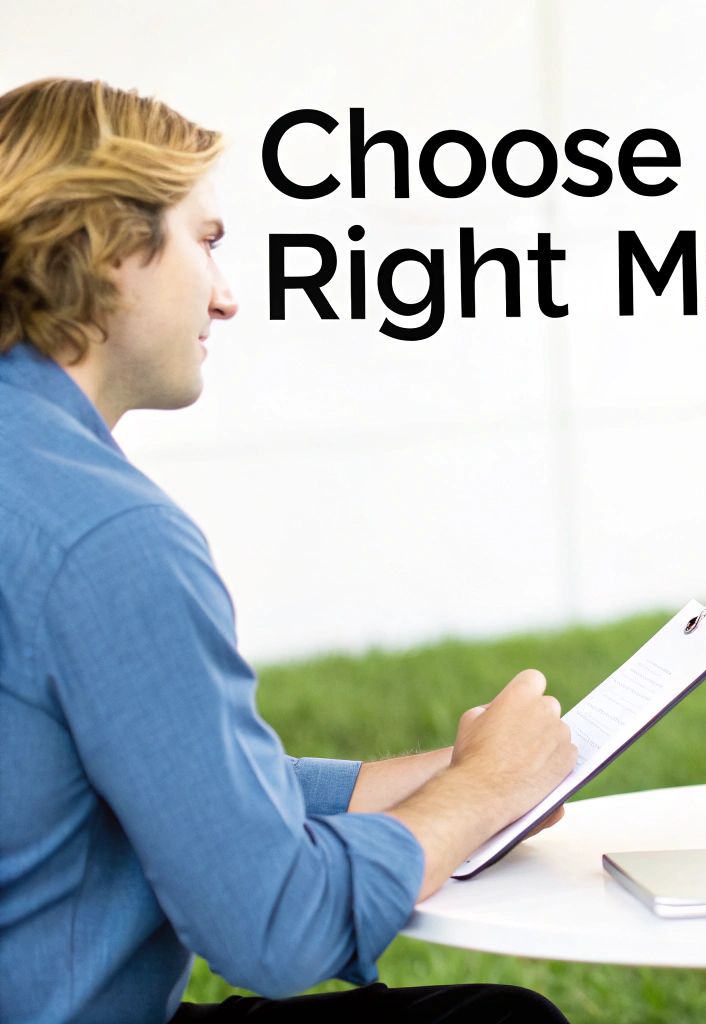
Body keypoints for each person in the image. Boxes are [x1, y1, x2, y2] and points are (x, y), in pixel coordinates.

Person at [0, 78, 576, 1023]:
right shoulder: (105, 538)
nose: (226, 299)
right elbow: (270, 928)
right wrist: (476, 798)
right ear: (106, 250)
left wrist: (458, 773)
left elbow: (153, 784)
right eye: (208, 242)